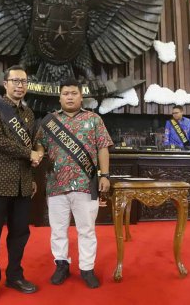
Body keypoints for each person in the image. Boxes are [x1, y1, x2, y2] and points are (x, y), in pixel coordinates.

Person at [35, 79, 113, 289]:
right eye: (66, 93)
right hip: (56, 185)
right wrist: (38, 154)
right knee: (58, 229)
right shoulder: (49, 121)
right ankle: (61, 265)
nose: (70, 96)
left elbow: (103, 147)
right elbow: (39, 146)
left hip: (86, 185)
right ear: (59, 97)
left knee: (86, 230)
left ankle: (87, 268)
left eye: (74, 93)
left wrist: (105, 175)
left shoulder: (94, 119)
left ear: (81, 96)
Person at [0, 65, 42, 304]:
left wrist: (32, 173)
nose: (20, 85)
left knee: (20, 234)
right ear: (5, 84)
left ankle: (14, 275)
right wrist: (29, 153)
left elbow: (33, 148)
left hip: (22, 184)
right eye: (15, 81)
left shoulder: (29, 113)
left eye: (23, 81)